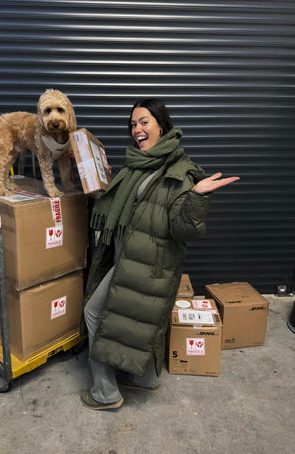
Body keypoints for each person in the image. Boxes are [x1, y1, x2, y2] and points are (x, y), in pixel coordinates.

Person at [80, 98, 239, 410]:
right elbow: (127, 207)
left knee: (96, 312)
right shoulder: (136, 167)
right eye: (133, 124)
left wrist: (196, 198)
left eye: (144, 122)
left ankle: (104, 392)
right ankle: (144, 379)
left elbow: (185, 229)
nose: (136, 129)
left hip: (145, 263)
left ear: (162, 126)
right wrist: (108, 184)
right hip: (128, 256)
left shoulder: (179, 171)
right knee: (135, 322)